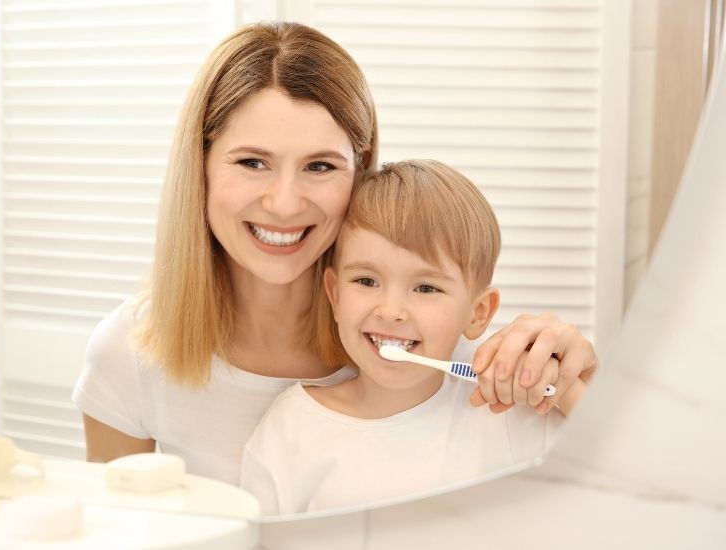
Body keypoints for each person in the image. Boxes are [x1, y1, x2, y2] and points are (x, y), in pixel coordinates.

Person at [72, 22, 597, 487]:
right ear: (201, 167)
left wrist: (586, 387)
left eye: (320, 166)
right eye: (252, 162)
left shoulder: (434, 350)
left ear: (360, 170)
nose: (283, 202)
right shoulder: (129, 355)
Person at [239, 160, 585, 515]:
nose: (391, 311)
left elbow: (626, 482)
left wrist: (567, 388)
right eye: (366, 281)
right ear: (335, 295)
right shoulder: (293, 429)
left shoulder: (510, 417)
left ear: (479, 313)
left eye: (425, 287)